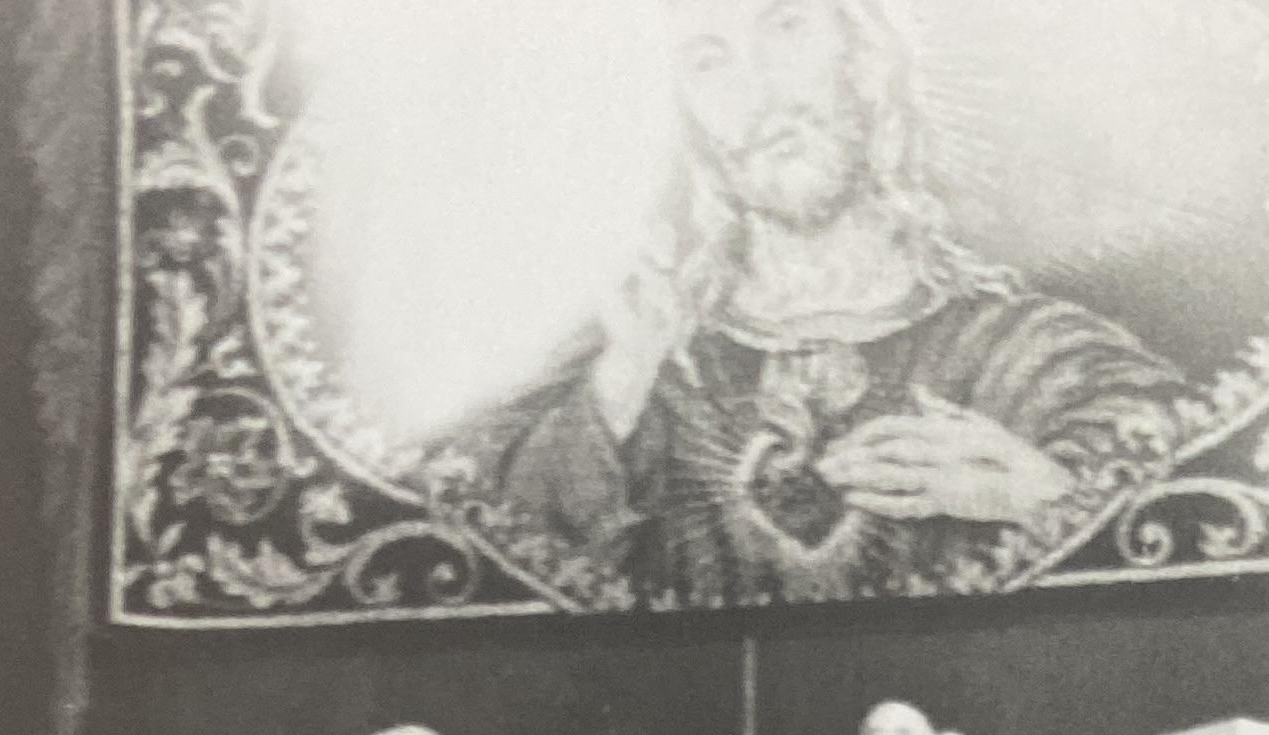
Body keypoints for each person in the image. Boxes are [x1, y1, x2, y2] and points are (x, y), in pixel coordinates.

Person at [434, 0, 1186, 607]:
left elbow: (1183, 528)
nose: (759, 89)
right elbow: (474, 559)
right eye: (708, 61)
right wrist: (620, 386)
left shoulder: (1032, 357)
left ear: (866, 57)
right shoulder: (636, 371)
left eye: (786, 26)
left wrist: (1048, 500)